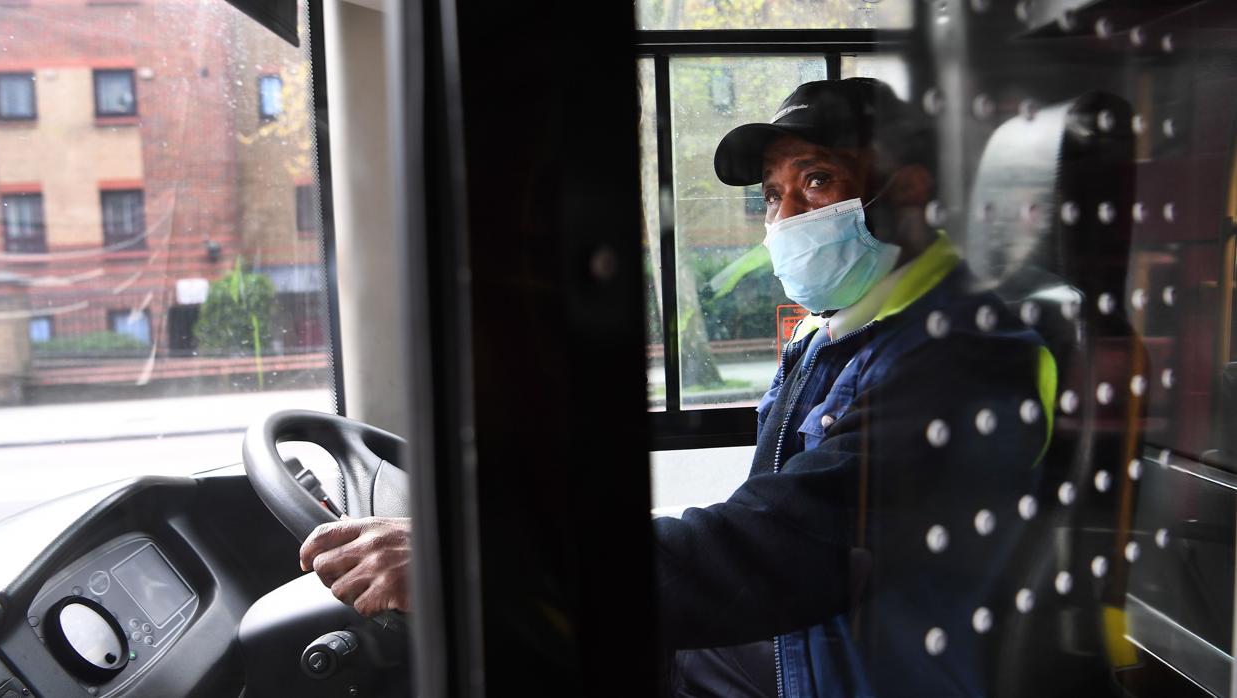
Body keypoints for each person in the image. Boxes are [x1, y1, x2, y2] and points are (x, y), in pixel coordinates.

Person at [299, 78, 1056, 697]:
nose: (784, 218)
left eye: (816, 182)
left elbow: (785, 547)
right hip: (811, 644)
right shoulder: (841, 329)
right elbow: (767, 518)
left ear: (908, 192)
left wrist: (491, 562)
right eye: (771, 194)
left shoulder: (961, 352)